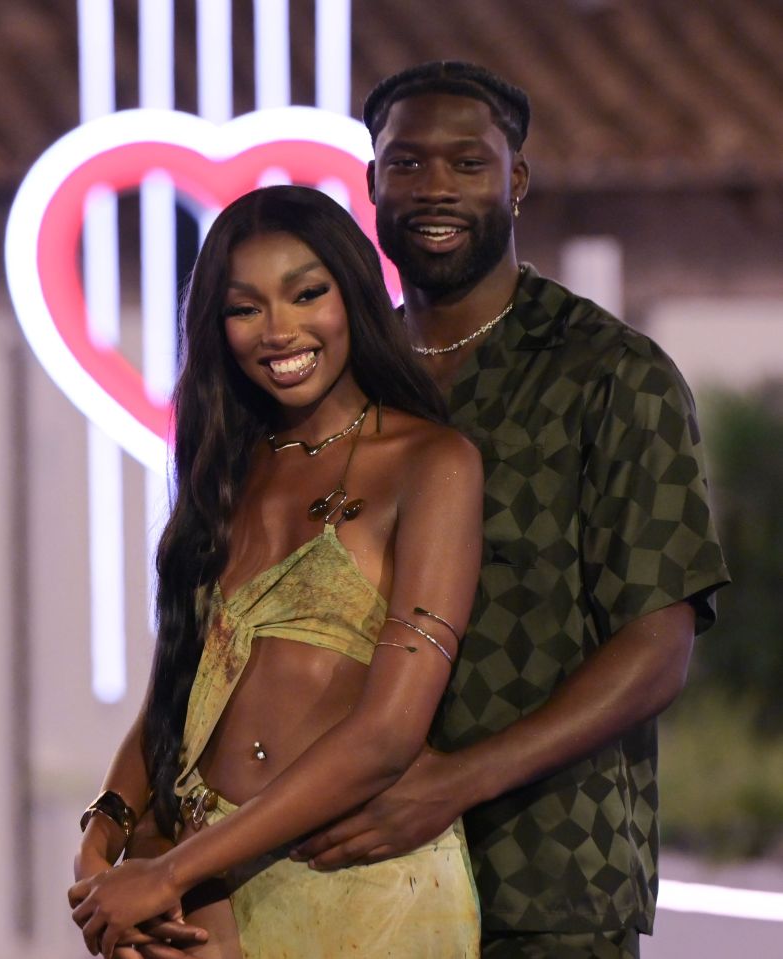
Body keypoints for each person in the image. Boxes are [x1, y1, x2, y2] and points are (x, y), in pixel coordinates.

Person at [289, 61, 731, 958]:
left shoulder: (611, 373)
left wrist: (452, 783)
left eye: (466, 163)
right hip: (353, 880)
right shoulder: (343, 378)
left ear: (515, 179)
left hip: (547, 884)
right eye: (406, 166)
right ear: (371, 183)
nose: (434, 189)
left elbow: (656, 648)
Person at [68, 184, 484, 959]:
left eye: (306, 294)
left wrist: (167, 872)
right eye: (245, 307)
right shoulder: (225, 469)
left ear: (354, 294)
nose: (279, 330)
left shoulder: (433, 463)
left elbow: (389, 734)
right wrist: (108, 833)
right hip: (204, 893)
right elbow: (175, 688)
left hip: (359, 887)